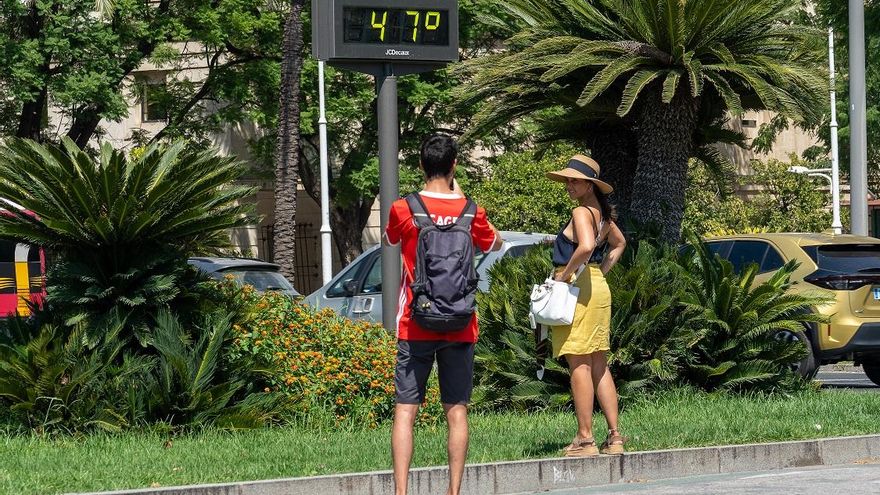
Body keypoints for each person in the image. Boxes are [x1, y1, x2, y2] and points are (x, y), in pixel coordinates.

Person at [384, 134, 502, 495]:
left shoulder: (404, 208)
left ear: (421, 165)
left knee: (406, 411)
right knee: (457, 410)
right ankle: (453, 491)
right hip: (461, 323)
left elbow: (390, 241)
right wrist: (460, 195)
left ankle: (402, 492)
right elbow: (494, 242)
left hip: (414, 322)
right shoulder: (471, 210)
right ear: (454, 165)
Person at [545, 154, 627, 457]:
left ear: (590, 185)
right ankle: (615, 437)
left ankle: (585, 438)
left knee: (578, 362)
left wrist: (564, 276)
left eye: (575, 180)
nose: (569, 184)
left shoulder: (581, 212)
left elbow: (587, 246)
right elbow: (619, 244)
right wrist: (599, 272)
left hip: (576, 290)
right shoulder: (603, 218)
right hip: (596, 288)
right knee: (598, 363)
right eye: (567, 179)